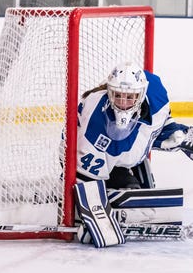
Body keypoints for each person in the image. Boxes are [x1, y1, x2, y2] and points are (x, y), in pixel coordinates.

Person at [76, 61, 193, 190]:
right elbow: (85, 174)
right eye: (118, 95)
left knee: (173, 136)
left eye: (129, 97)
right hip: (77, 155)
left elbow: (162, 117)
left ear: (141, 94)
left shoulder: (156, 94)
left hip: (122, 151)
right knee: (127, 181)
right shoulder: (95, 115)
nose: (122, 103)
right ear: (109, 91)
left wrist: (172, 131)